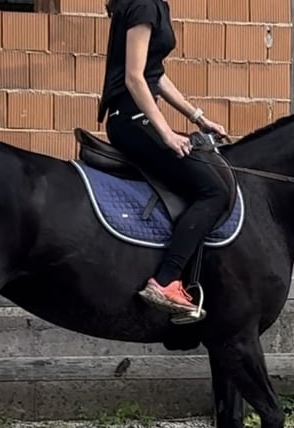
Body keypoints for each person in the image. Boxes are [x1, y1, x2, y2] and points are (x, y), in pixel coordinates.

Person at [99, 0, 230, 315]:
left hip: (136, 117)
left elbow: (154, 75)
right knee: (215, 191)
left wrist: (198, 117)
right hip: (131, 119)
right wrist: (167, 134)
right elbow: (134, 77)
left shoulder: (154, 5)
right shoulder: (144, 5)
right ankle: (166, 280)